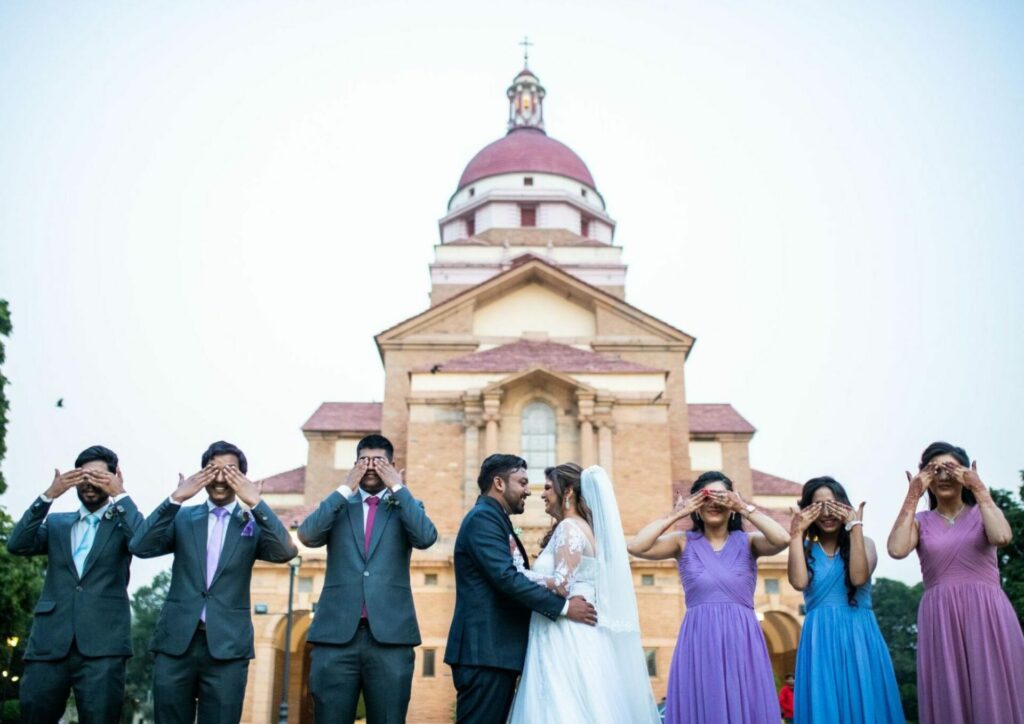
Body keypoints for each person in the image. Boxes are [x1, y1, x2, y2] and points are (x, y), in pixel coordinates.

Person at [130, 440, 298, 724]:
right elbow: (140, 545)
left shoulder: (252, 522)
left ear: (242, 478)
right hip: (176, 642)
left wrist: (256, 501)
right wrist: (176, 499)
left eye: (230, 471)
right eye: (213, 470)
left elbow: (285, 552)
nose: (220, 479)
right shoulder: (183, 518)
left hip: (227, 647)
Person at [445, 454, 598, 724]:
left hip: (498, 652)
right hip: (486, 652)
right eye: (523, 482)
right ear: (499, 484)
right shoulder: (483, 519)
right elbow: (506, 578)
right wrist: (564, 607)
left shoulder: (496, 519)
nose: (530, 490)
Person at [628, 470, 789, 724]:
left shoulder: (749, 542)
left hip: (742, 639)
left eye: (721, 497)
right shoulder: (682, 542)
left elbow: (782, 538)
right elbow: (636, 546)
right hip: (699, 640)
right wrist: (677, 514)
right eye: (706, 497)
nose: (713, 503)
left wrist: (744, 506)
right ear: (696, 506)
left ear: (732, 504)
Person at [298, 434, 438, 724]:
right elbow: (308, 535)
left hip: (391, 639)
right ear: (355, 465)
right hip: (335, 639)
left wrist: (397, 487)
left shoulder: (406, 506)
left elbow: (426, 537)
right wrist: (344, 488)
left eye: (379, 461)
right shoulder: (339, 505)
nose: (371, 467)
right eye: (364, 460)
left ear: (393, 465)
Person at [508, 464, 660, 723]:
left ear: (567, 491)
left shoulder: (569, 528)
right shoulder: (579, 528)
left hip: (565, 634)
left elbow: (561, 585)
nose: (542, 494)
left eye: (547, 488)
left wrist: (518, 570)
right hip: (569, 629)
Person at [887, 441, 1024, 724]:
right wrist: (913, 495)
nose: (944, 476)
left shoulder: (982, 513)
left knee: (994, 689)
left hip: (987, 614)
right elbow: (897, 550)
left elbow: (1002, 537)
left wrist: (980, 490)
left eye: (950, 468)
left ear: (965, 473)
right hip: (941, 617)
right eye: (934, 470)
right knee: (950, 694)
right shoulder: (921, 521)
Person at [7, 445, 142, 724]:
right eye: (84, 476)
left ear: (115, 476)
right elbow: (17, 544)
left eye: (98, 477)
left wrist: (121, 494)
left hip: (103, 648)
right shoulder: (57, 523)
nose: (90, 484)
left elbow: (145, 542)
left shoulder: (124, 525)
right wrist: (48, 496)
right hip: (49, 643)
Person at [788, 477, 904, 723]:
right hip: (819, 640)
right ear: (808, 510)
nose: (827, 513)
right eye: (818, 506)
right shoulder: (804, 548)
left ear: (844, 505)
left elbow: (859, 577)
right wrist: (796, 533)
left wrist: (856, 526)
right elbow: (798, 582)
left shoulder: (866, 544)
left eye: (833, 504)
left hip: (859, 636)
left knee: (866, 703)